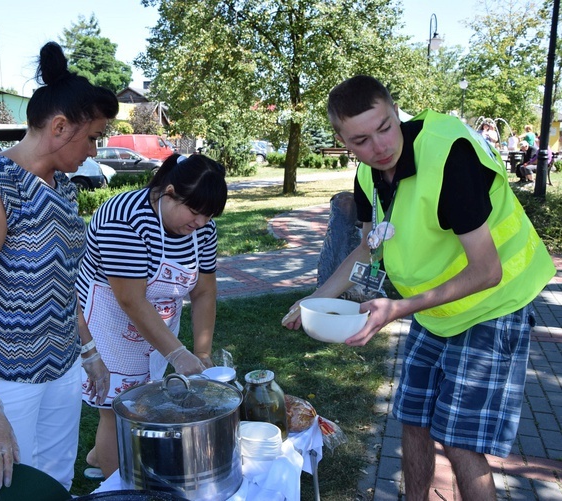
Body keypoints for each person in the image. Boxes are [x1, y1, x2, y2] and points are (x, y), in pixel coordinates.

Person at [282, 75, 554, 500]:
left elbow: (487, 271)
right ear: (341, 140)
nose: (380, 148)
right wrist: (314, 299)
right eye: (361, 141)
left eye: (386, 127)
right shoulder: (368, 177)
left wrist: (398, 308)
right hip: (434, 311)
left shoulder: (449, 156)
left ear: (395, 110)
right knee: (413, 419)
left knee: (462, 440)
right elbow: (368, 249)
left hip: (494, 304)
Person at [0, 41, 118, 492]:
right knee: (11, 488)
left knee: (53, 481)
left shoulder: (63, 188)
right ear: (60, 126)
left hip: (60, 366)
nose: (94, 148)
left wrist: (88, 349)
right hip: (4, 377)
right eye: (93, 136)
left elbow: (62, 282)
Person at [76, 153, 228, 479]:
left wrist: (200, 352)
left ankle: (99, 456)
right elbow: (130, 300)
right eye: (195, 211)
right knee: (115, 411)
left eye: (209, 215)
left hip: (158, 322)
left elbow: (203, 292)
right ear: (168, 191)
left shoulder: (202, 228)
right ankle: (118, 487)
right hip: (109, 319)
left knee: (146, 402)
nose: (201, 223)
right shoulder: (123, 219)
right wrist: (176, 351)